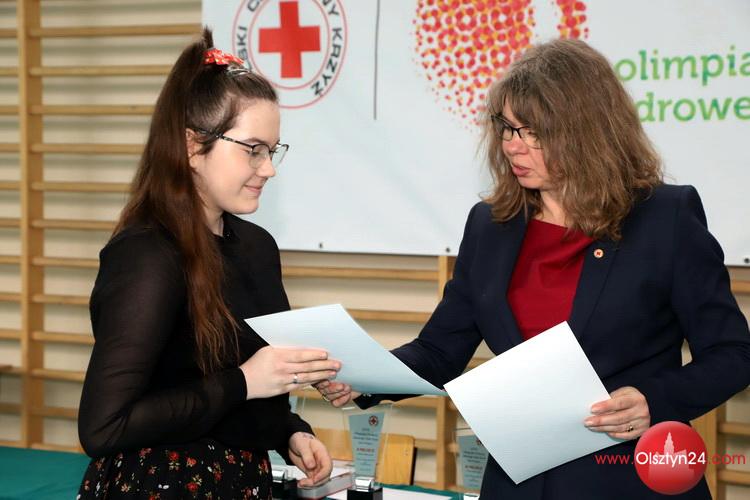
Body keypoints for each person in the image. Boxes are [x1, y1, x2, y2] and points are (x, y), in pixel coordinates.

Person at [315, 39, 750, 499]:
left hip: (629, 477)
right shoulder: (490, 225)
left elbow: (733, 354)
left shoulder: (664, 218)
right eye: (507, 128)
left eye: (533, 132)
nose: (512, 146)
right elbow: (440, 350)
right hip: (516, 482)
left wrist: (654, 401)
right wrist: (365, 379)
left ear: (588, 132)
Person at [77, 28, 339, 499]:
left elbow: (231, 380)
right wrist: (245, 382)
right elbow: (104, 426)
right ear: (193, 147)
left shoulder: (256, 246)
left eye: (272, 150)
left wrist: (288, 431)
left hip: (241, 482)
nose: (269, 168)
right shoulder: (147, 255)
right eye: (253, 149)